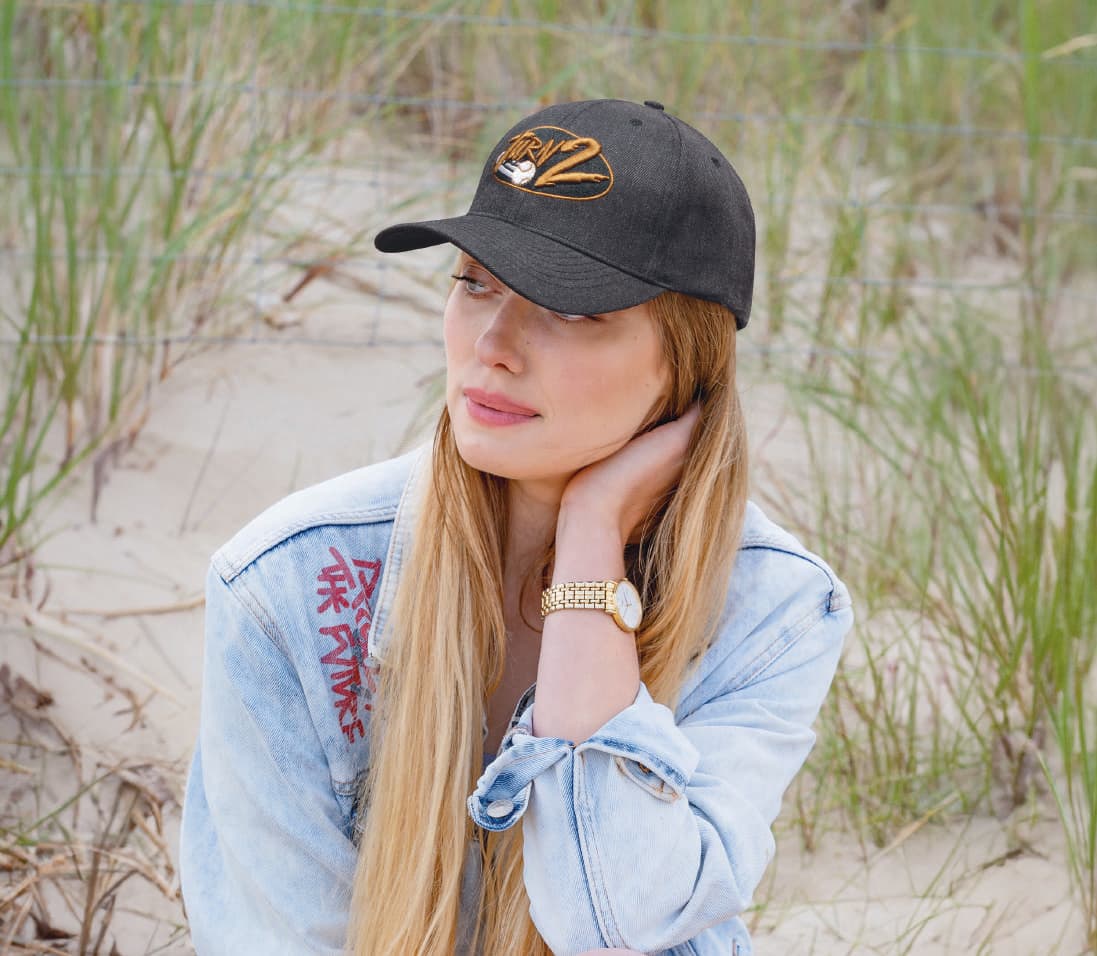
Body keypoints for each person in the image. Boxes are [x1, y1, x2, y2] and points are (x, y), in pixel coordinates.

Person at [179, 98, 853, 956]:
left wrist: (588, 550)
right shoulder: (283, 587)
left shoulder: (774, 609)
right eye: (473, 283)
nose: (491, 344)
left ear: (684, 368)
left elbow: (622, 923)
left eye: (569, 310)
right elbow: (276, 936)